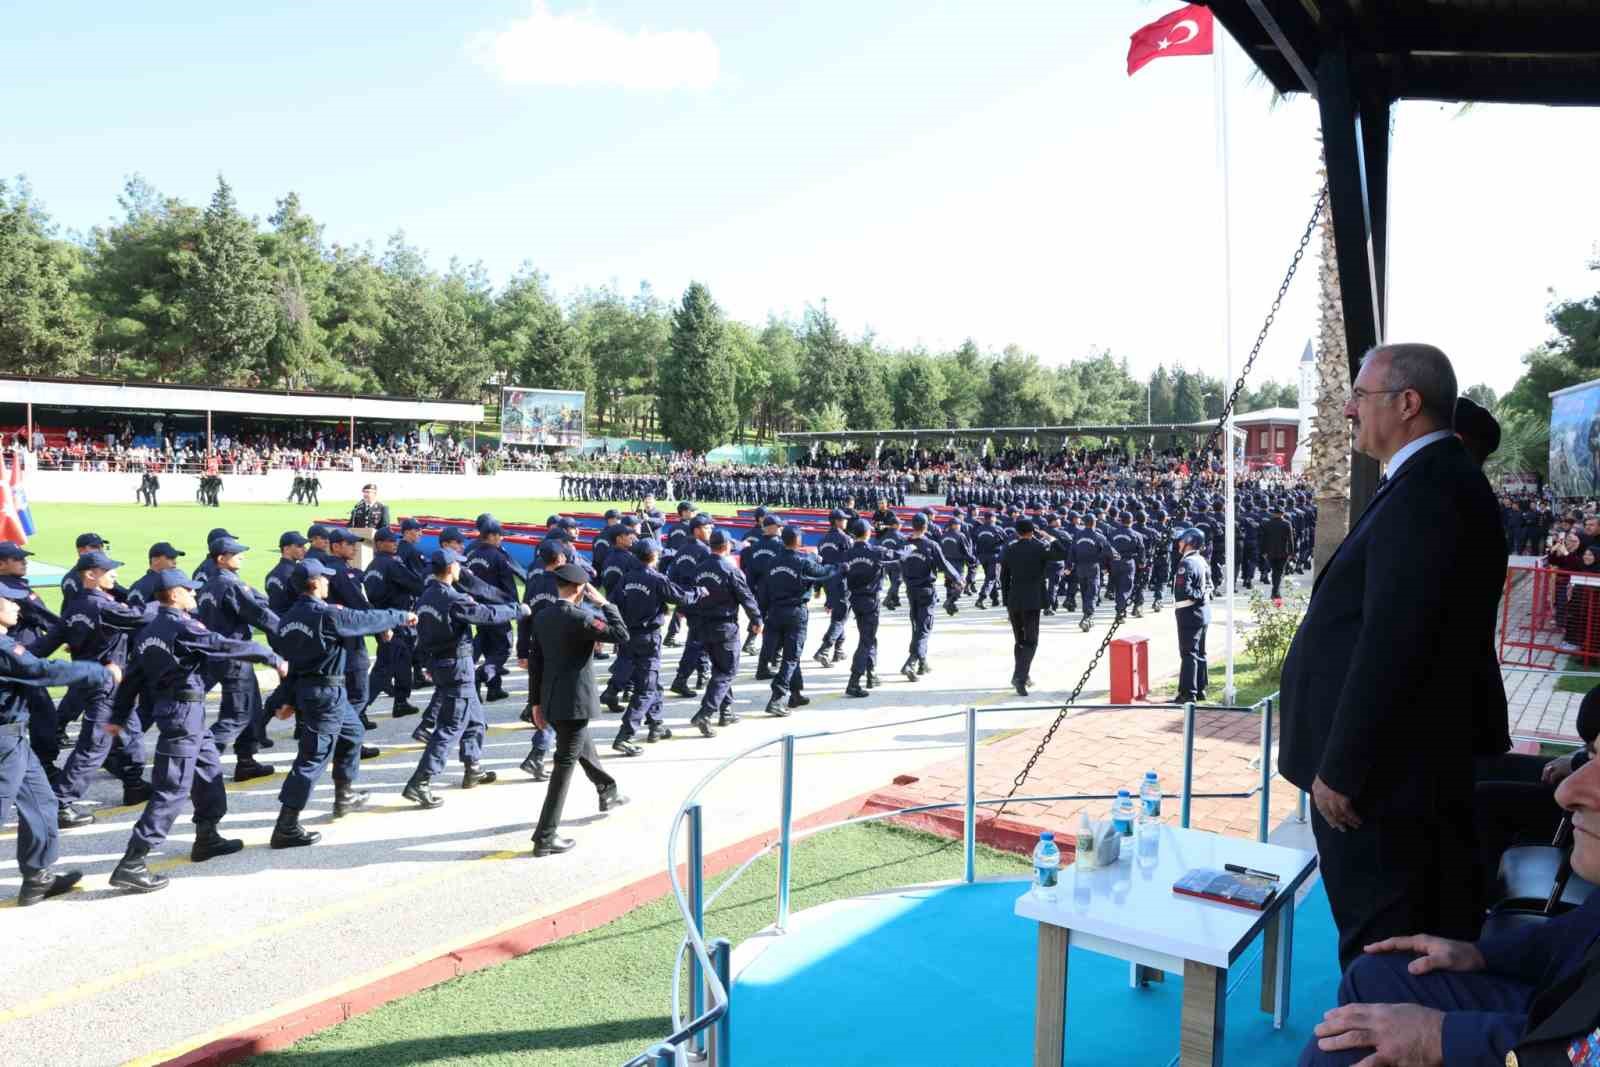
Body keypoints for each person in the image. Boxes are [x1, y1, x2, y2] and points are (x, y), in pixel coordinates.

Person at [1279, 343, 1508, 971]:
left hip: (1382, 788)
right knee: (1397, 939)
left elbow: (1395, 644)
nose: (1349, 408)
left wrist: (1343, 768)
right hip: (1402, 774)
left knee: (1384, 949)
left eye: (1361, 395)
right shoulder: (1425, 481)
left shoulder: (1428, 492)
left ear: (1408, 403)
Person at [1298, 724, 1600, 1066]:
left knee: (1349, 1047)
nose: (1567, 792)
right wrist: (1479, 953)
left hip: (1556, 1039)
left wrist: (1439, 1037)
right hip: (1563, 999)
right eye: (1592, 756)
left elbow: (1576, 1057)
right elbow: (1578, 931)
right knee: (1372, 972)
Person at [104, 569, 287, 893]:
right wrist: (269, 655)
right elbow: (221, 645)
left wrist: (119, 714)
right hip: (182, 712)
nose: (194, 596)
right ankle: (132, 862)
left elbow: (132, 677)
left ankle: (207, 836)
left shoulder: (149, 629)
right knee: (172, 788)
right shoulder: (180, 625)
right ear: (174, 595)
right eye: (189, 591)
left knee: (209, 772)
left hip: (184, 713)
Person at [269, 558, 415, 849]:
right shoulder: (328, 615)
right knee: (312, 759)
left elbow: (293, 663)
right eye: (324, 578)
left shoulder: (286, 620)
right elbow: (368, 620)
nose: (328, 582)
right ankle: (286, 825)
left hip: (313, 690)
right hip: (326, 693)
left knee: (353, 734)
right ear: (315, 583)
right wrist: (402, 617)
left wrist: (287, 698)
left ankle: (343, 796)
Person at [0, 579, 118, 906]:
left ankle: (38, 878)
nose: (17, 607)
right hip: (4, 740)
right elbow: (42, 671)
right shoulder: (4, 648)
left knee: (42, 803)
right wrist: (99, 673)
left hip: (16, 737)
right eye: (9, 601)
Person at [401, 548, 528, 808]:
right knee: (450, 726)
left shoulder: (425, 597)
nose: (460, 568)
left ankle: (473, 767)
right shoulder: (452, 598)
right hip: (457, 666)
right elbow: (487, 615)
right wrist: (518, 609)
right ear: (450, 569)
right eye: (458, 565)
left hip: (440, 664)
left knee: (475, 721)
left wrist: (426, 663)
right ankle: (420, 781)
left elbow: (422, 635)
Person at [36, 550, 154, 823]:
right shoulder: (104, 607)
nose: (115, 574)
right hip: (106, 686)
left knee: (131, 733)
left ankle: (134, 785)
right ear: (91, 575)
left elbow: (44, 645)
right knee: (94, 746)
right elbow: (142, 618)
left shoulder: (75, 606)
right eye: (109, 570)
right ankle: (60, 804)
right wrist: (163, 599)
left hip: (99, 683)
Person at [527, 564, 630, 856]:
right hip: (574, 704)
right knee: (563, 767)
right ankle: (545, 837)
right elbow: (621, 635)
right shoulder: (582, 617)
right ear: (581, 589)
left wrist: (535, 702)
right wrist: (606, 604)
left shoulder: (543, 616)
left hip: (551, 700)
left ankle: (607, 790)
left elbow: (536, 662)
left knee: (583, 747)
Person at [197, 536, 280, 782]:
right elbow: (259, 615)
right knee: (237, 715)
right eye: (236, 553)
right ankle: (199, 761)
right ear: (221, 558)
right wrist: (287, 631)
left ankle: (246, 761)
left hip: (218, 653)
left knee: (252, 707)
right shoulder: (231, 585)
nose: (242, 556)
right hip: (236, 655)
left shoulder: (208, 585)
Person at [611, 538, 699, 750]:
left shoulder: (626, 578)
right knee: (646, 688)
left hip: (628, 636)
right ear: (654, 556)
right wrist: (699, 592)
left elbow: (613, 603)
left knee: (652, 681)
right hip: (648, 638)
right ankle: (625, 735)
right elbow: (681, 598)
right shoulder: (657, 578)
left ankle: (656, 723)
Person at [689, 530, 762, 736]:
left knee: (720, 669)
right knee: (727, 672)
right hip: (724, 626)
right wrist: (757, 619)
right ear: (727, 546)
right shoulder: (730, 569)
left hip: (703, 625)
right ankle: (705, 712)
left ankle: (726, 711)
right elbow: (746, 597)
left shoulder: (699, 569)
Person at [761, 527, 839, 717]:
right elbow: (824, 572)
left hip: (774, 612)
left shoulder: (771, 561)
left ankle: (795, 694)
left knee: (790, 654)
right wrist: (838, 566)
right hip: (795, 612)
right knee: (791, 657)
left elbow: (764, 589)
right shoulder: (803, 561)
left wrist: (763, 614)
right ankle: (777, 698)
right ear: (797, 540)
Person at [999, 517, 1070, 696]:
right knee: (1031, 641)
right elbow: (1062, 553)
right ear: (1032, 532)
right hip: (1032, 598)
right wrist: (1050, 537)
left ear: (1017, 532)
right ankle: (1020, 678)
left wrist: (1006, 600)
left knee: (1020, 641)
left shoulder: (1010, 548)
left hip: (1014, 598)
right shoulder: (1039, 547)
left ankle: (1021, 674)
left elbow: (1004, 577)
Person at [364, 527, 424, 719]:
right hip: (394, 622)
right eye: (391, 540)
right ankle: (358, 709)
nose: (395, 543)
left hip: (382, 620)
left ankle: (401, 702)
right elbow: (416, 584)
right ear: (379, 543)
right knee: (385, 667)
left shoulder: (373, 566)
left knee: (402, 662)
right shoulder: (391, 564)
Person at [466, 517, 524, 702]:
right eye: (500, 536)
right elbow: (508, 586)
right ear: (490, 536)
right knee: (503, 649)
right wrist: (515, 607)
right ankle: (481, 675)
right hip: (498, 609)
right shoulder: (499, 556)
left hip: (478, 610)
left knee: (488, 646)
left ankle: (494, 689)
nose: (502, 539)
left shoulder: (471, 555)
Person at [899, 513, 963, 682]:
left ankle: (922, 663)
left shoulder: (905, 544)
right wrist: (958, 579)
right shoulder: (930, 545)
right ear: (926, 526)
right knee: (924, 629)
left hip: (910, 591)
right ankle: (910, 663)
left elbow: (899, 565)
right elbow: (944, 565)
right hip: (925, 591)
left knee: (917, 627)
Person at [1171, 528, 1212, 703]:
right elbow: (1210, 585)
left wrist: (1198, 596)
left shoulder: (1186, 563)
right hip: (1202, 613)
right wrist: (1202, 596)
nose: (1179, 543)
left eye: (1181, 540)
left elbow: (1183, 590)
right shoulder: (1201, 560)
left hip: (1190, 613)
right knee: (1200, 652)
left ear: (1190, 542)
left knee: (1189, 654)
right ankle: (1200, 688)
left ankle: (1188, 693)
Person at [1258, 505, 1296, 603]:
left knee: (1276, 571)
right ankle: (1276, 592)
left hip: (1270, 552)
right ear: (1282, 514)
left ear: (1273, 513)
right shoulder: (1287, 524)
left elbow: (1263, 540)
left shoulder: (1267, 524)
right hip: (1283, 552)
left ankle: (1275, 591)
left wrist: (1263, 552)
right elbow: (1290, 539)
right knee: (1279, 572)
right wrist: (1292, 552)